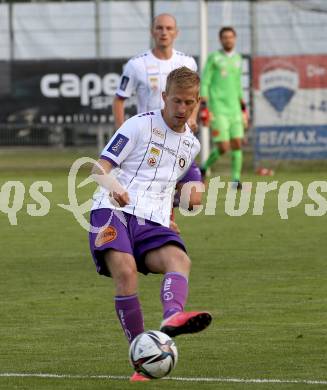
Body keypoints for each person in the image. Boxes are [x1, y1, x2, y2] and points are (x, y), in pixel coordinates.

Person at [89, 67, 212, 382]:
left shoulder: (191, 146)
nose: (181, 109)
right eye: (176, 102)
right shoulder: (139, 125)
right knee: (126, 272)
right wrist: (114, 187)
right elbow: (98, 168)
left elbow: (179, 189)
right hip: (112, 209)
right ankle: (140, 352)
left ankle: (172, 317)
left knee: (179, 260)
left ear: (197, 102)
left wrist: (181, 206)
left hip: (152, 220)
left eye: (188, 103)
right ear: (164, 98)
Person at [113, 13, 202, 223]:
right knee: (155, 188)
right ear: (152, 31)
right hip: (150, 142)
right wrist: (123, 133)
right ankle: (160, 221)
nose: (164, 32)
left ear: (176, 33)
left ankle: (163, 209)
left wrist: (192, 118)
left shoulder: (187, 62)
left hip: (179, 140)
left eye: (169, 28)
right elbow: (119, 100)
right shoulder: (136, 65)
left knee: (194, 199)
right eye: (160, 28)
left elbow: (197, 97)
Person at [200, 26, 249, 189]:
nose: (228, 40)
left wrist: (243, 108)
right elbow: (205, 81)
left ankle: (236, 179)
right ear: (220, 40)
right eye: (225, 37)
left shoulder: (238, 59)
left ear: (235, 39)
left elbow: (237, 84)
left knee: (237, 143)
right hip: (218, 109)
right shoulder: (214, 58)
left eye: (231, 37)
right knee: (223, 147)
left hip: (235, 109)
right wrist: (205, 106)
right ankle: (204, 168)